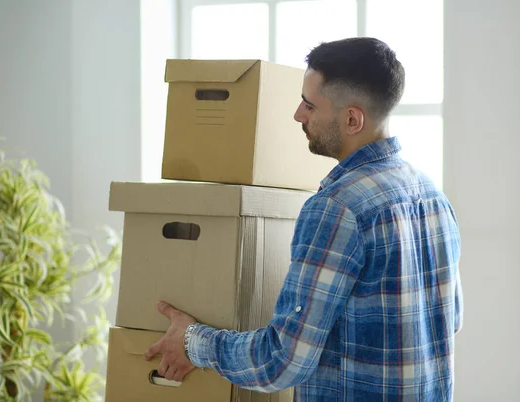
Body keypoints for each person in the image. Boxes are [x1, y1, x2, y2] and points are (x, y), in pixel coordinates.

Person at [144, 37, 463, 401]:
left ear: (351, 118)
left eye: (310, 105)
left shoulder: (337, 207)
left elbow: (280, 361)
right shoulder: (432, 196)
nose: (298, 114)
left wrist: (192, 341)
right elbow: (447, 321)